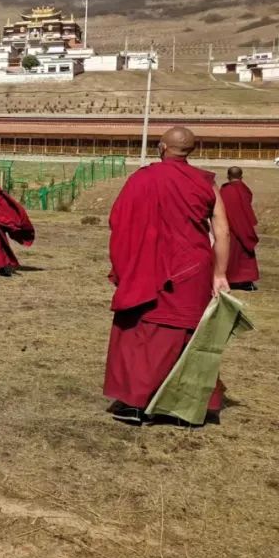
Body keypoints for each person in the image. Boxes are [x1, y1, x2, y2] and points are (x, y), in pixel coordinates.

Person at [104, 127, 231, 426]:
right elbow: (223, 231)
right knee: (189, 336)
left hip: (150, 266)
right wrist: (220, 273)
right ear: (192, 150)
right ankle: (183, 408)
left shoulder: (143, 179)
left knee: (142, 333)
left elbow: (119, 220)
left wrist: (127, 263)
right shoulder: (205, 183)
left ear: (162, 147)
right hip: (194, 267)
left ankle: (135, 405)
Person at [220, 167, 260, 291]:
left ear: (228, 176)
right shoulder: (244, 190)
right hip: (243, 226)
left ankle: (227, 279)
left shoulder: (224, 191)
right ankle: (245, 282)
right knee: (243, 255)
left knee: (229, 255)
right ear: (241, 177)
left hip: (227, 227)